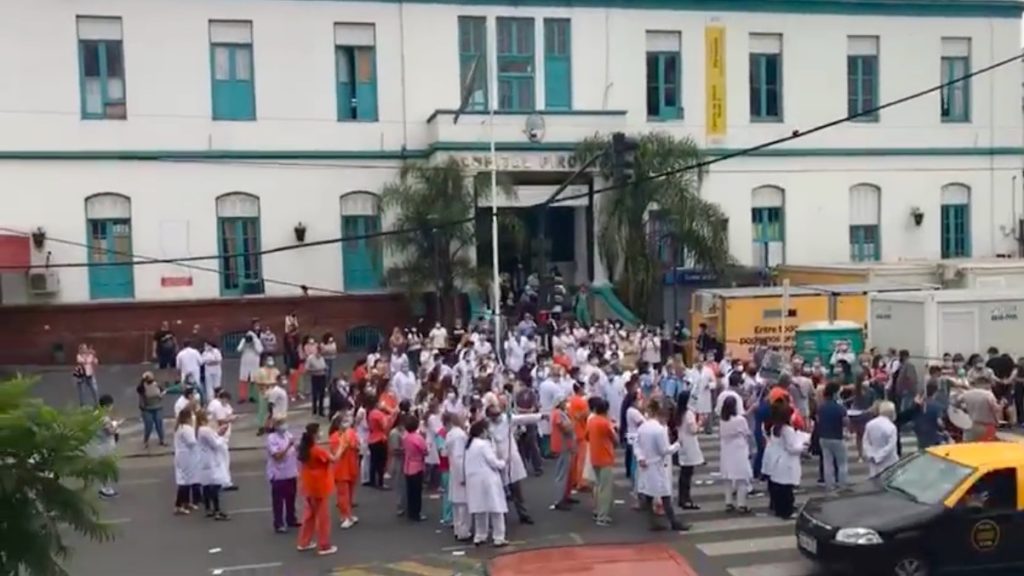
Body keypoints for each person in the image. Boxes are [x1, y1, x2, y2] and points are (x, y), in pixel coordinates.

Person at [635, 399, 688, 531]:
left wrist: (640, 457)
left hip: (646, 464)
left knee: (649, 494)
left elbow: (637, 445)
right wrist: (677, 445)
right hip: (657, 464)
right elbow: (664, 450)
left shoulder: (643, 427)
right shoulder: (658, 430)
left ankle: (652, 522)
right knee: (665, 494)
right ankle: (674, 522)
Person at [464, 419, 508, 547]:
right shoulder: (483, 445)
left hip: (474, 481)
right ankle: (499, 537)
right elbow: (492, 461)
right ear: (482, 431)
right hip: (488, 480)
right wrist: (503, 463)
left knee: (480, 509)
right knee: (496, 509)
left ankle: (480, 535)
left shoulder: (469, 445)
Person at [296, 422, 337, 555]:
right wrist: (342, 446)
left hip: (308, 486)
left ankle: (304, 542)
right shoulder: (317, 450)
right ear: (314, 434)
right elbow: (334, 459)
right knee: (323, 517)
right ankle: (324, 545)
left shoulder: (304, 449)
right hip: (319, 486)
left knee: (309, 515)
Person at [764, 401, 807, 520]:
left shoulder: (774, 428)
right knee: (787, 489)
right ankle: (786, 511)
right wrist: (802, 447)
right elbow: (791, 448)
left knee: (780, 488)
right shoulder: (787, 430)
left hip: (777, 461)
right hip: (787, 461)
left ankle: (780, 509)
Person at [718, 395, 753, 514]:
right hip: (739, 450)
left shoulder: (722, 420)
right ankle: (741, 504)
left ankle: (728, 502)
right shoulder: (740, 420)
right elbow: (747, 433)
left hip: (726, 450)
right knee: (741, 478)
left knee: (727, 477)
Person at [586, 398, 617, 526]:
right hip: (606, 457)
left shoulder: (591, 421)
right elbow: (615, 439)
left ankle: (597, 511)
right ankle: (602, 516)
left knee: (598, 486)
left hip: (594, 456)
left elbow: (586, 436)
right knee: (605, 489)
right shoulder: (605, 423)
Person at [266, 416, 299, 533]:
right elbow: (277, 456)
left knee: (291, 497)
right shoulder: (271, 438)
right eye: (281, 423)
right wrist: (288, 446)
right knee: (278, 501)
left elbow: (295, 449)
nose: (284, 425)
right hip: (278, 474)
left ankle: (291, 519)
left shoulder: (288, 435)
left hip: (291, 472)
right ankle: (278, 523)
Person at [196, 410, 230, 520]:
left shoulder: (201, 429)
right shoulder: (205, 430)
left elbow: (212, 437)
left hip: (205, 461)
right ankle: (217, 510)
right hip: (211, 461)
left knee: (206, 485)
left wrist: (218, 432)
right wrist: (222, 438)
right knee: (215, 485)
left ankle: (208, 509)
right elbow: (215, 443)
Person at [673, 390, 703, 511]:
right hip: (689, 444)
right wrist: (700, 422)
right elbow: (693, 429)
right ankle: (686, 499)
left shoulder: (679, 412)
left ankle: (683, 498)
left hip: (682, 443)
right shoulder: (689, 414)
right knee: (687, 474)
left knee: (684, 474)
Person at [328, 412, 360, 529]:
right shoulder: (334, 437)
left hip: (351, 466)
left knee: (350, 494)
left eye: (348, 419)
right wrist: (346, 443)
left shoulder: (351, 433)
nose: (347, 422)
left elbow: (356, 446)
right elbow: (336, 453)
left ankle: (349, 514)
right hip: (341, 469)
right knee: (343, 495)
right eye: (344, 421)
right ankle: (345, 516)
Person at [445, 412, 471, 541]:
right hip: (460, 471)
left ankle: (458, 529)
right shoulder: (460, 435)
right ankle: (463, 531)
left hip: (453, 470)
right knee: (463, 505)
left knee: (456, 504)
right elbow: (459, 456)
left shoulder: (450, 434)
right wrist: (463, 476)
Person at [206, 390, 238, 491]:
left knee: (219, 461)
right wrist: (231, 419)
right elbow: (221, 421)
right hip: (219, 437)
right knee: (224, 460)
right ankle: (225, 482)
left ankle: (220, 482)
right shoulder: (218, 405)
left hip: (216, 436)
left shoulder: (213, 403)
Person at [549, 395, 576, 511]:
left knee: (566, 472)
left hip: (564, 445)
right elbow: (564, 427)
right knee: (561, 474)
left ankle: (564, 496)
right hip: (562, 445)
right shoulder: (558, 413)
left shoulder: (559, 413)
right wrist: (572, 425)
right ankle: (558, 500)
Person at [173, 406, 199, 515]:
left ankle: (186, 502)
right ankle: (179, 505)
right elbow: (192, 442)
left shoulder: (180, 427)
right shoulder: (187, 429)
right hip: (186, 457)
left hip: (182, 456)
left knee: (188, 480)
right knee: (184, 481)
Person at [402, 414, 429, 522]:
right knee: (417, 492)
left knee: (410, 490)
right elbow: (425, 451)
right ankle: (416, 513)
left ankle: (410, 511)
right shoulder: (418, 438)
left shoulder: (405, 437)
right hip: (417, 465)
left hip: (407, 465)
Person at [864, 401, 900, 477]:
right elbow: (891, 445)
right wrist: (880, 456)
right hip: (889, 459)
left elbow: (866, 441)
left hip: (873, 457)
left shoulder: (870, 424)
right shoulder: (891, 427)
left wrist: (870, 454)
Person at [137, 371, 166, 448]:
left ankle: (162, 440)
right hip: (147, 409)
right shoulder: (142, 387)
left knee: (159, 424)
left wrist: (162, 395)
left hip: (158, 407)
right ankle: (146, 441)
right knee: (148, 425)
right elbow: (141, 398)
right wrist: (142, 408)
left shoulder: (157, 385)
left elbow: (162, 392)